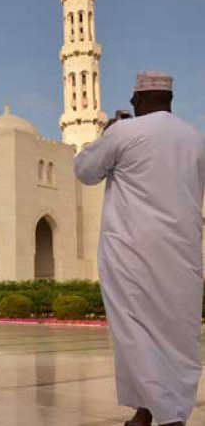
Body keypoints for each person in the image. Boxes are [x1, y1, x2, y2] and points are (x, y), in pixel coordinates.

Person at [75, 71, 205, 426]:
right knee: (177, 335)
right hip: (183, 253)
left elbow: (85, 171)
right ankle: (148, 412)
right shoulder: (195, 138)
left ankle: (168, 417)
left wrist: (106, 134)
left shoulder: (124, 131)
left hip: (132, 251)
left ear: (140, 100)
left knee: (136, 332)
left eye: (134, 100)